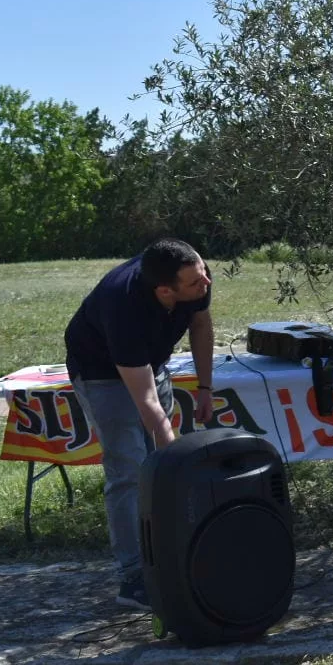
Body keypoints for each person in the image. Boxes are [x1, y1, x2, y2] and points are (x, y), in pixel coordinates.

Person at [65, 238, 215, 608]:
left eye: (203, 275)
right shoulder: (123, 306)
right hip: (102, 373)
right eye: (195, 284)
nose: (206, 285)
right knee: (131, 468)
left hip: (152, 363)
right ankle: (133, 577)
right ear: (165, 290)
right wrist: (176, 454)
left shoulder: (192, 273)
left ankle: (170, 556)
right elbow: (147, 404)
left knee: (157, 463)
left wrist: (205, 388)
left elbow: (200, 324)